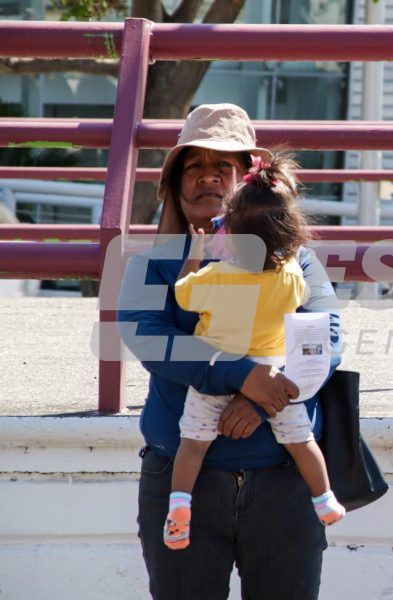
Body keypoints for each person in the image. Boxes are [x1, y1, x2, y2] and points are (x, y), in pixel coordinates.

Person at [118, 104, 341, 599]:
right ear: (175, 184)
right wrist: (242, 375)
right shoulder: (150, 265)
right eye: (193, 165)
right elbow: (149, 338)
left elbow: (325, 336)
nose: (207, 178)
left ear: (247, 182)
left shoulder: (298, 262)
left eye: (223, 166)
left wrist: (263, 393)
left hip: (282, 484)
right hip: (181, 481)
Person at [164, 153, 345, 552]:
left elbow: (183, 294)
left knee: (192, 443)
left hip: (213, 372)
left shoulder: (214, 275)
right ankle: (325, 498)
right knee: (301, 441)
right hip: (274, 374)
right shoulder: (292, 276)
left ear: (227, 232)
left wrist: (197, 252)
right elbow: (308, 311)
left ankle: (179, 505)